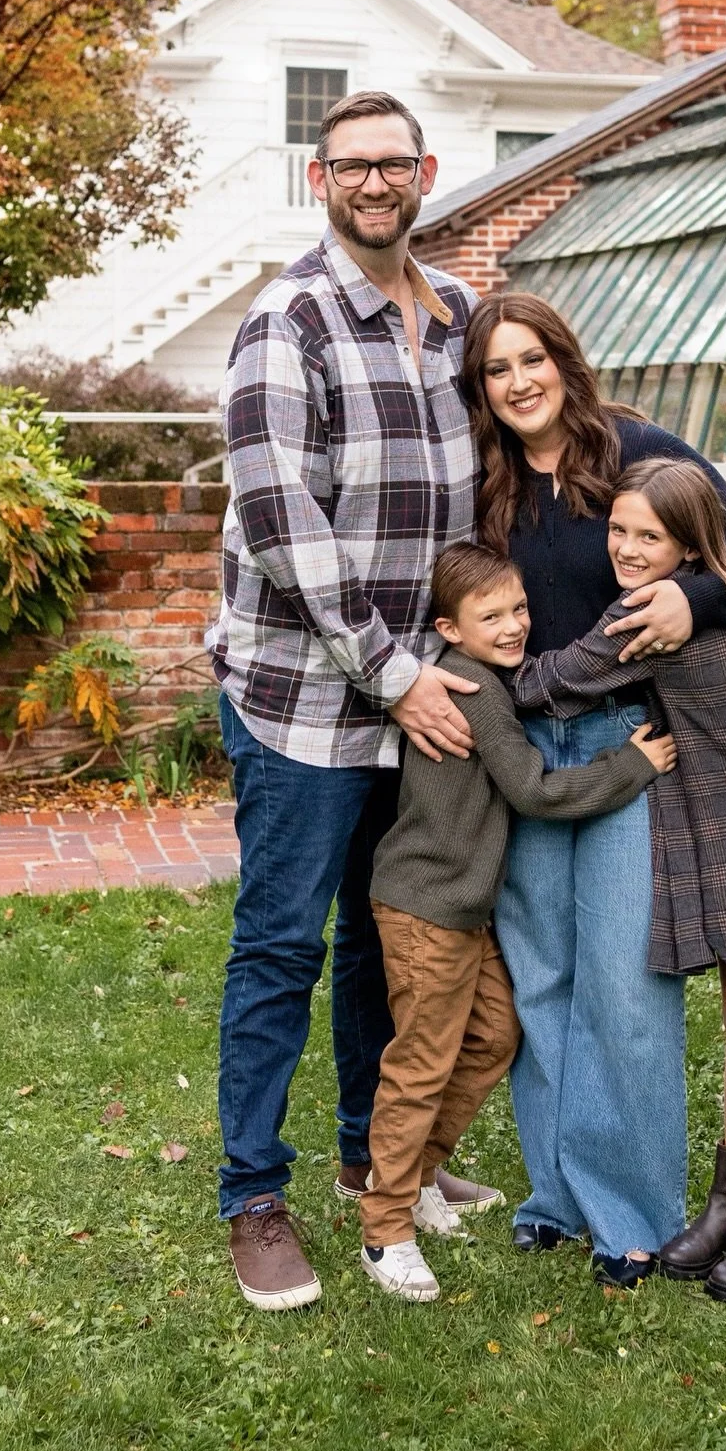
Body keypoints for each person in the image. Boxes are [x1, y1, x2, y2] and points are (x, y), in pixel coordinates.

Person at [207, 90, 501, 1314]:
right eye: (352, 166)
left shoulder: (459, 320)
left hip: (418, 701)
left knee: (397, 946)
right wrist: (398, 674)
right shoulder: (288, 322)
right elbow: (286, 528)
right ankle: (251, 1198)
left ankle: (370, 1158)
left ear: (425, 172)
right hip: (307, 700)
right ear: (317, 179)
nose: (376, 183)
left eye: (395, 163)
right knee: (284, 947)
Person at [461, 292, 726, 1287]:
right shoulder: (488, 486)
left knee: (624, 986)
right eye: (496, 371)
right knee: (543, 982)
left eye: (532, 360)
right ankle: (558, 1197)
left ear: (563, 358)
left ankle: (637, 1216)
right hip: (523, 750)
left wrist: (688, 599)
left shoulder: (638, 451)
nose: (519, 383)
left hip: (632, 744)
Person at [512, 457, 726, 1303]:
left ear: (687, 544)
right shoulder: (688, 595)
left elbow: (553, 683)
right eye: (616, 530)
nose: (623, 548)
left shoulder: (651, 619)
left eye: (645, 536)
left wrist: (474, 661)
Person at [359, 542, 675, 1301]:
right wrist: (632, 766)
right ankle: (384, 1227)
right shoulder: (474, 689)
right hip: (427, 907)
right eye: (490, 616)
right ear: (450, 628)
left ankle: (420, 1173)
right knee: (422, 1060)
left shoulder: (485, 677)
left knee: (497, 1032)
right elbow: (533, 792)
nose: (513, 626)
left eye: (519, 609)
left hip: (463, 909)